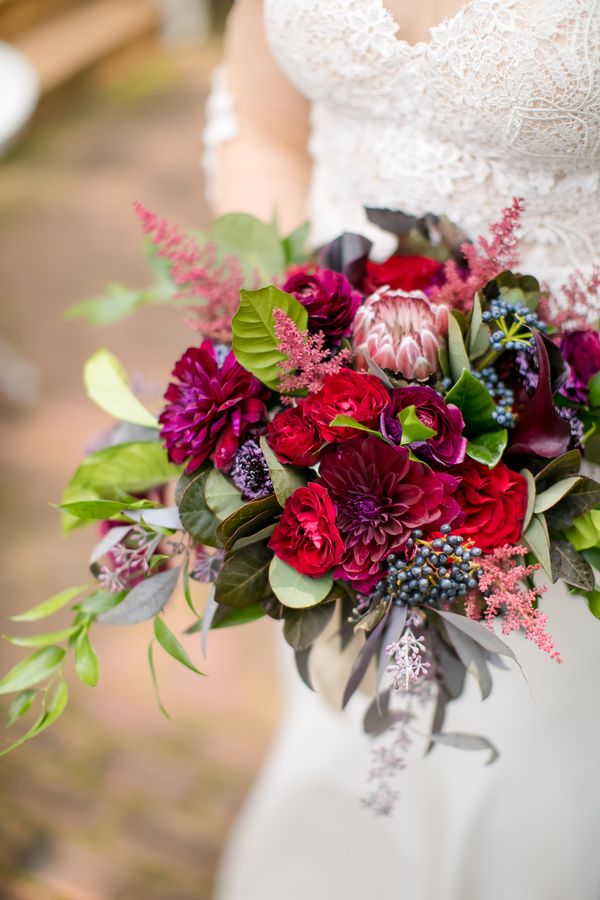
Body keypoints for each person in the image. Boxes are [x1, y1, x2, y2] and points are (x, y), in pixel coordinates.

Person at [206, 3, 600, 898]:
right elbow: (261, 127)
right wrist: (293, 371)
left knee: (534, 781)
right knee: (350, 736)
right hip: (330, 448)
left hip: (571, 468)